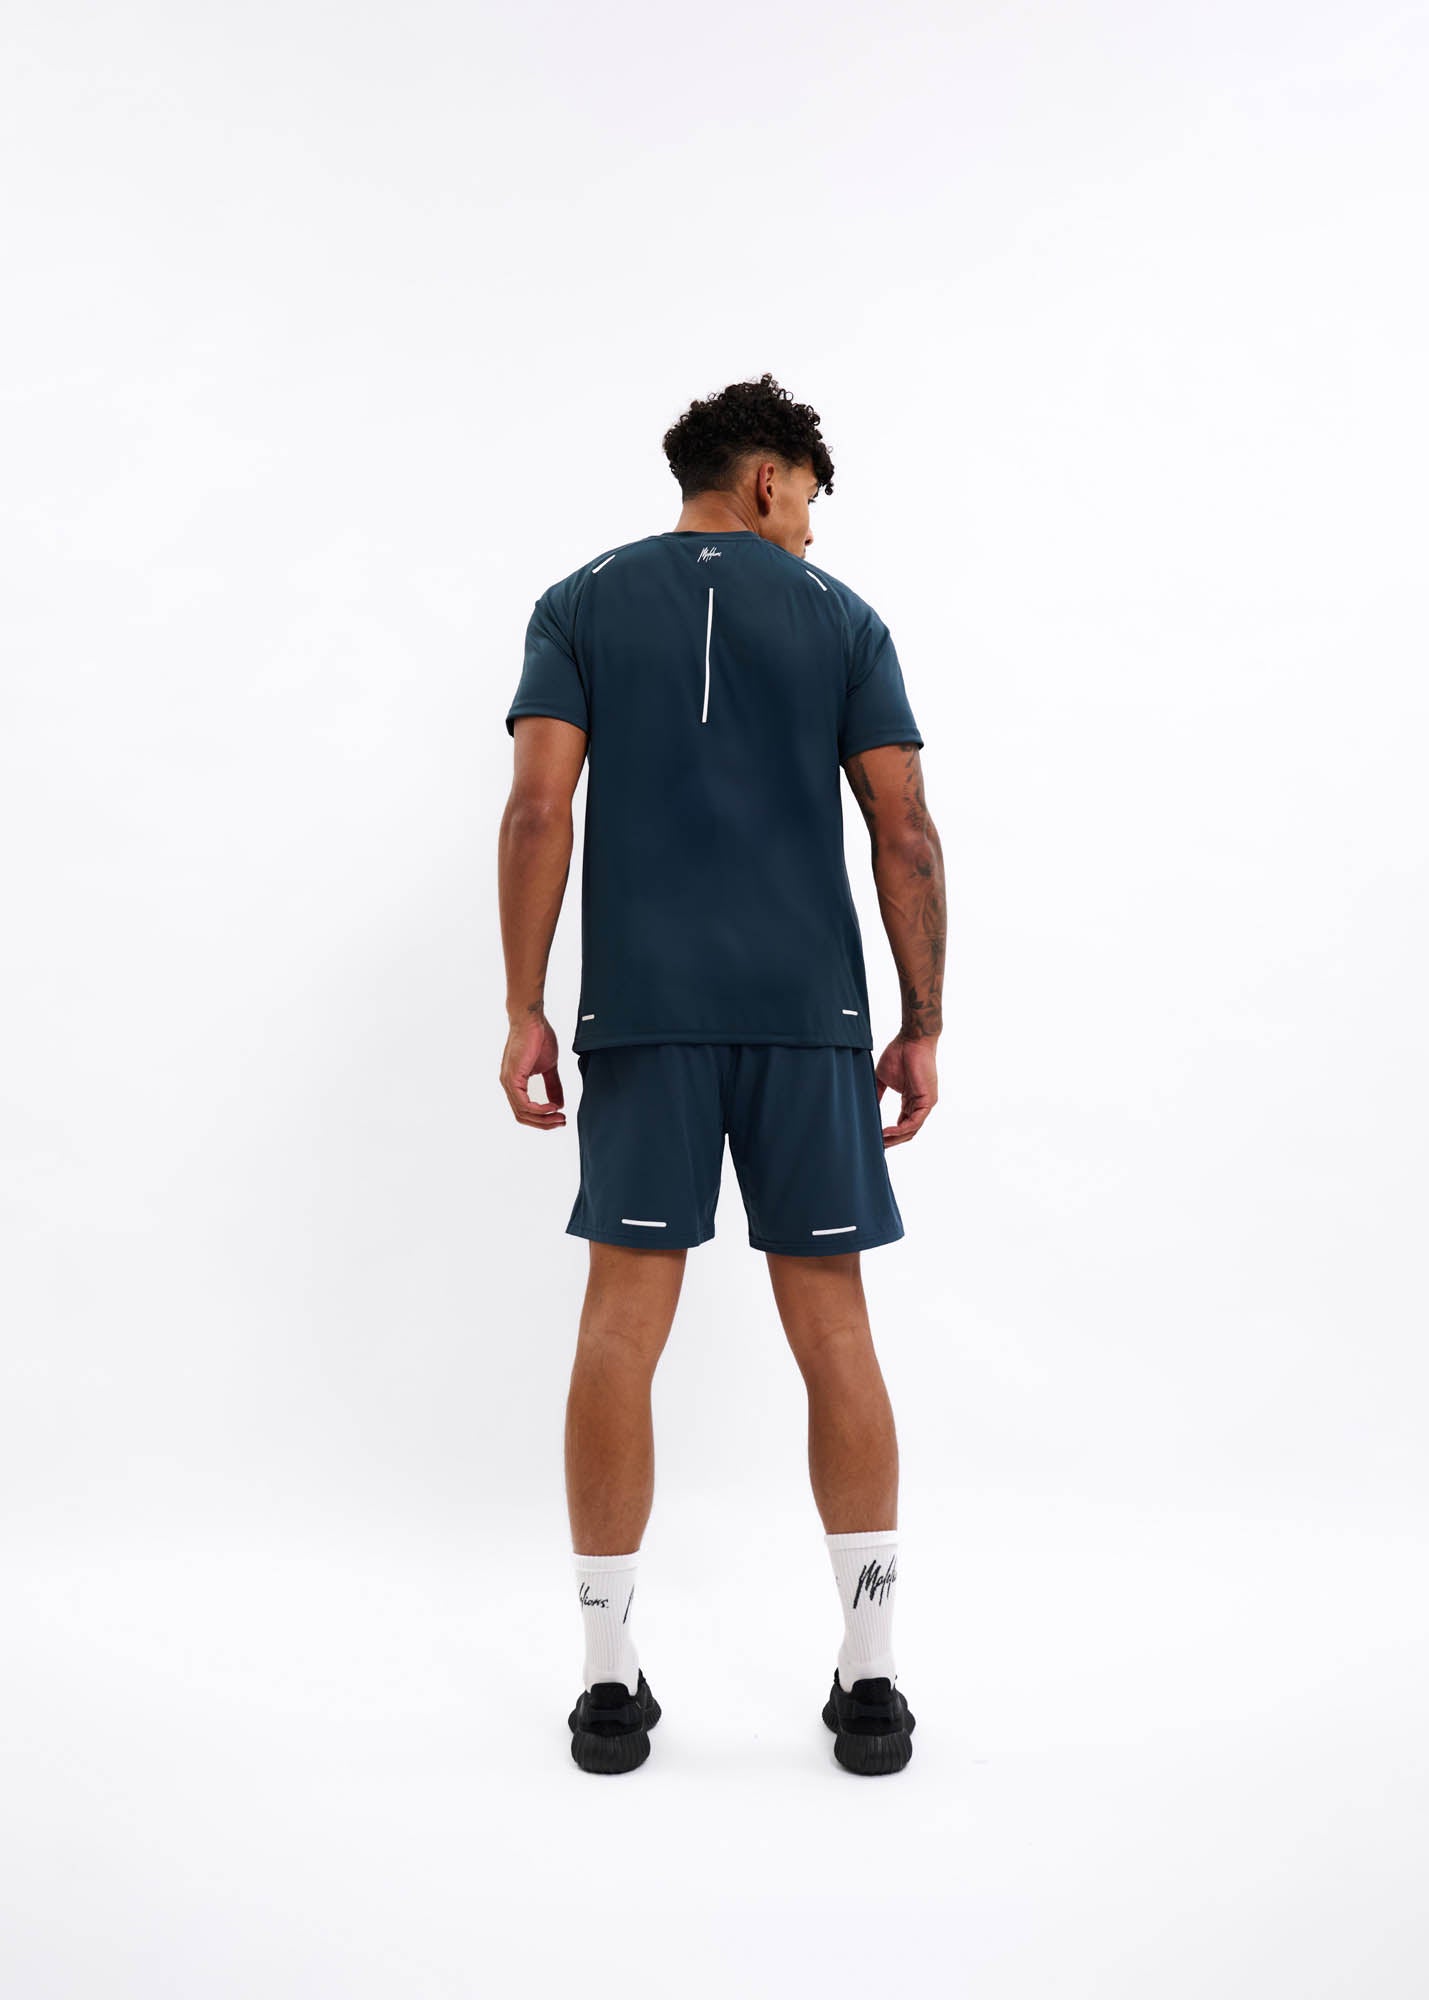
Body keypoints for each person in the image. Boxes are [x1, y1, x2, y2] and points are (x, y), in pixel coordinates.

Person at [497, 372, 945, 1776]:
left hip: (642, 1016)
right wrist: (921, 1018)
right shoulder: (842, 618)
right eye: (806, 499)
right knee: (836, 1332)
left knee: (618, 1330)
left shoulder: (576, 604)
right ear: (766, 480)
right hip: (809, 1019)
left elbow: (537, 810)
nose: (809, 526)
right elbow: (904, 831)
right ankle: (871, 1683)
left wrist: (523, 1006)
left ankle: (605, 1684)